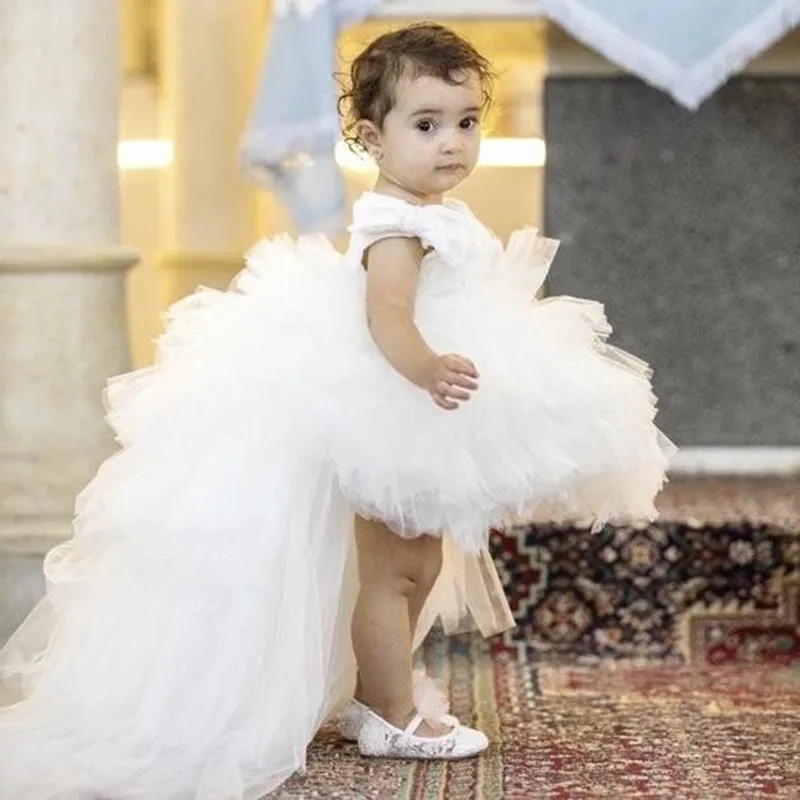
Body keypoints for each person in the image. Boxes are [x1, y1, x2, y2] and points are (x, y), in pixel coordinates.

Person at [0, 22, 676, 800]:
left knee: (418, 565)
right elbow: (387, 317)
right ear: (372, 138)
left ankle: (376, 696)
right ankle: (389, 712)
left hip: (413, 407)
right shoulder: (397, 227)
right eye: (427, 125)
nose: (452, 143)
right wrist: (426, 368)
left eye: (465, 122)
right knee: (394, 574)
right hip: (390, 405)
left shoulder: (430, 211)